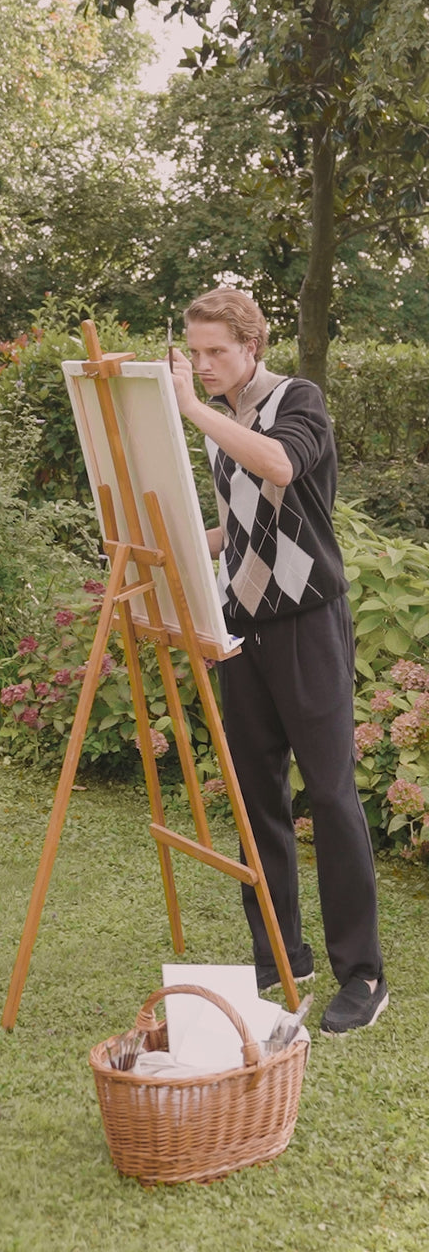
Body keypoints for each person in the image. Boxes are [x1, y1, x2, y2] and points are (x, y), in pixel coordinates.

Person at [170, 286, 387, 1036]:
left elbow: (283, 468)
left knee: (329, 795)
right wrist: (175, 547)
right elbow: (243, 522)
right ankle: (278, 954)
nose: (203, 366)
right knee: (256, 793)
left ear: (251, 346)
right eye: (195, 354)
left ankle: (362, 973)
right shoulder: (221, 419)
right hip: (243, 624)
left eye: (216, 353)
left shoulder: (298, 399)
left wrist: (195, 412)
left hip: (309, 624)